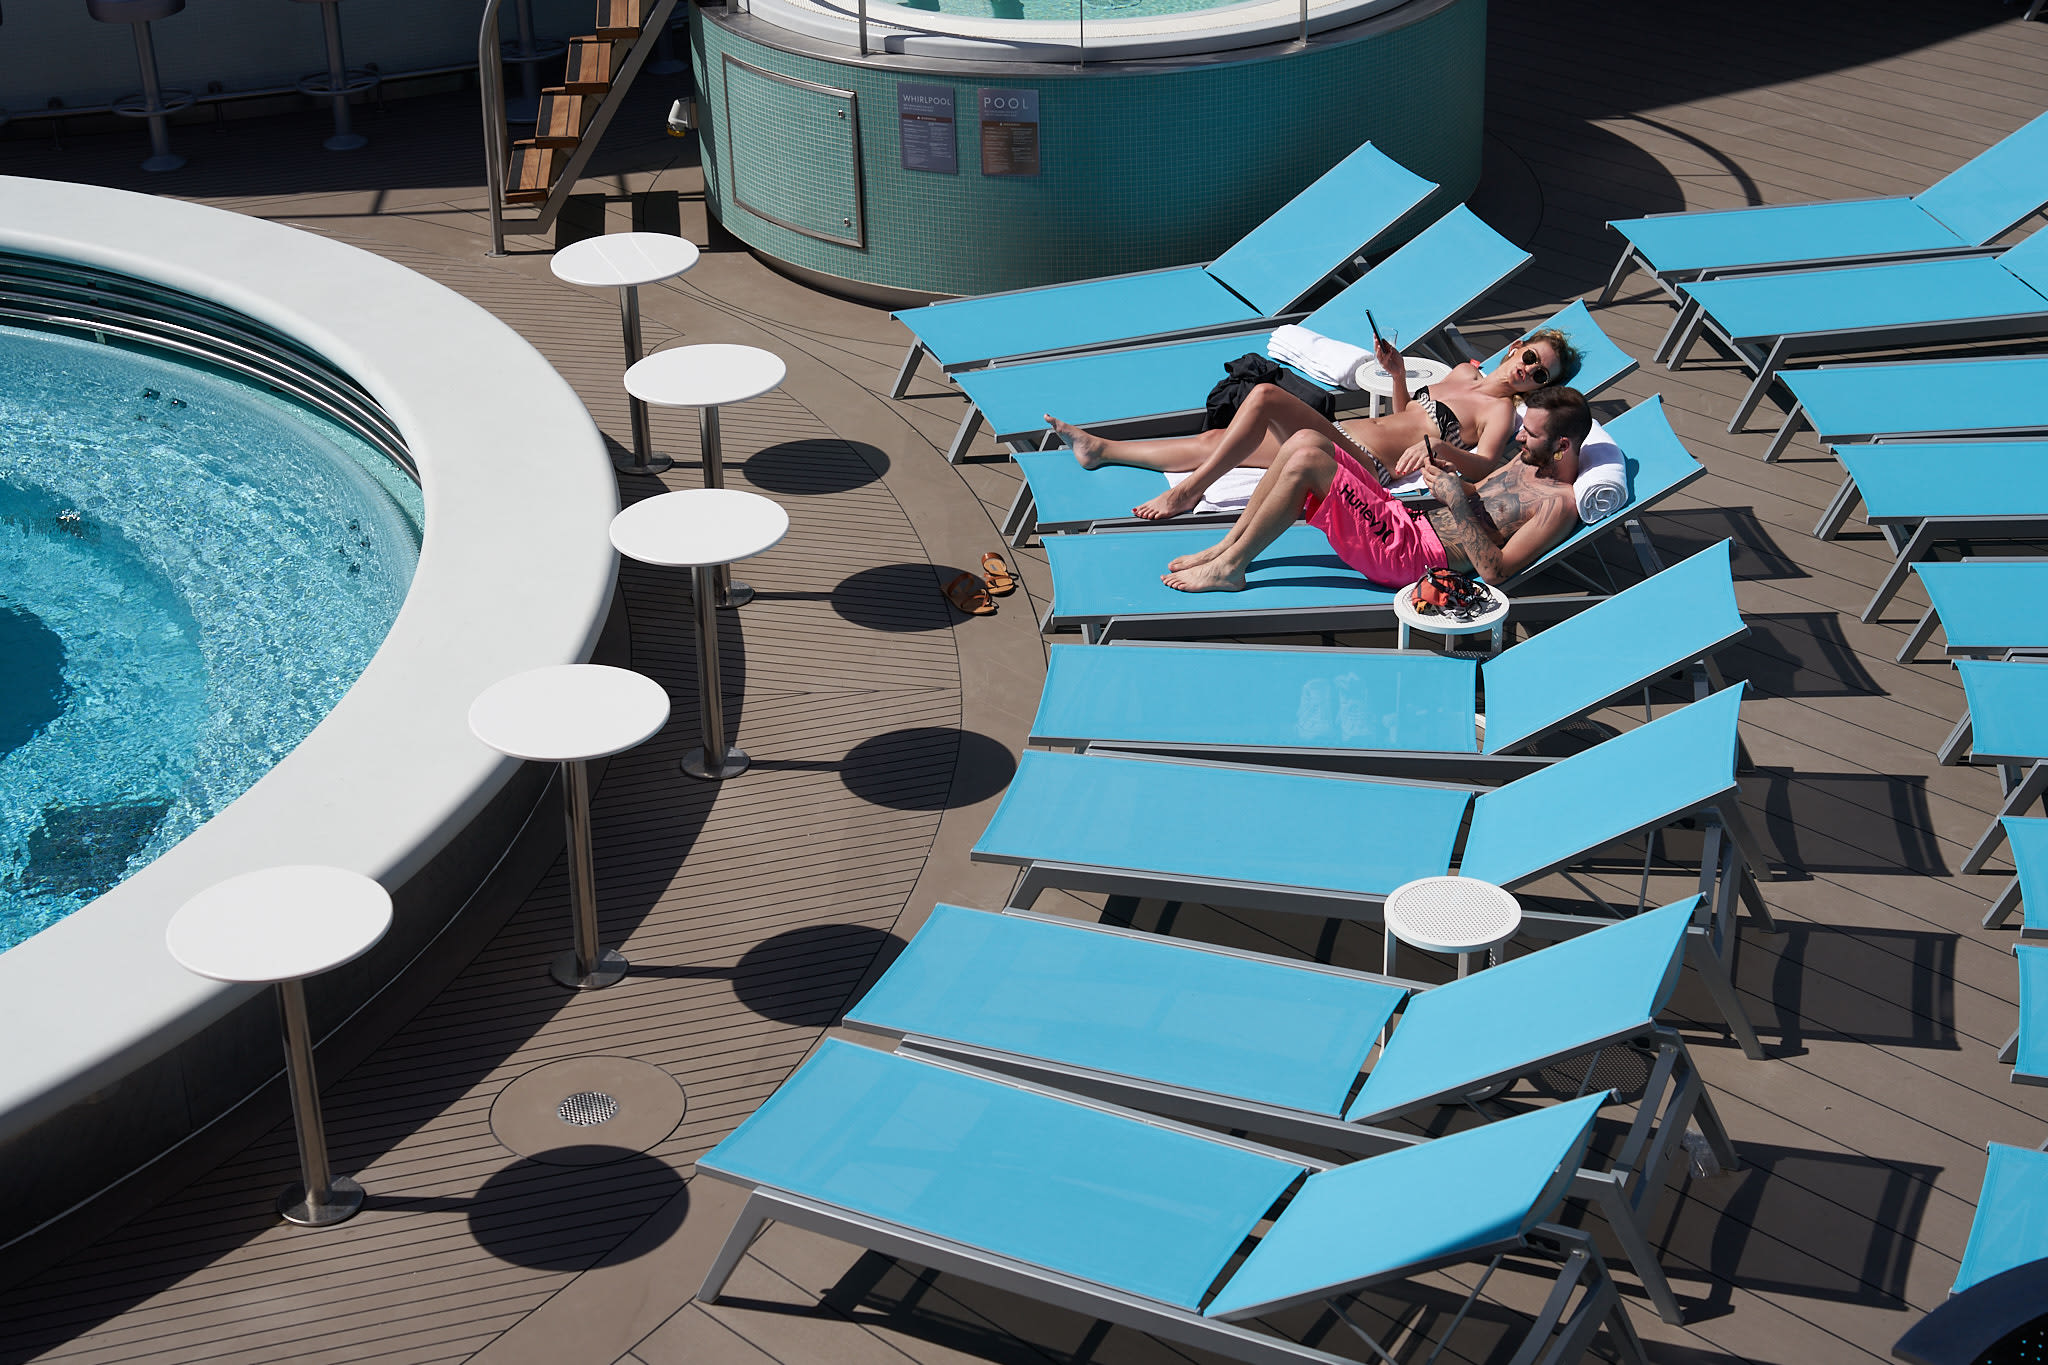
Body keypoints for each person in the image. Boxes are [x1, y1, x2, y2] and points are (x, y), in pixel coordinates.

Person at [1044, 328, 1579, 522]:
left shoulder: (1501, 412)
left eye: (1539, 374)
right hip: (1349, 436)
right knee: (1219, 438)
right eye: (1530, 356)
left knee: (1265, 394)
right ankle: (1102, 449)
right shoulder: (1462, 372)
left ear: (1536, 388)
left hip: (1367, 464)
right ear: (1516, 347)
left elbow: (1485, 462)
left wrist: (1437, 450)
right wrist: (1396, 375)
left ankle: (1188, 493)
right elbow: (1402, 416)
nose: (1527, 370)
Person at [1154, 384, 1593, 593]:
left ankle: (1231, 568)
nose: (1520, 438)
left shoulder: (1558, 506)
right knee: (1307, 441)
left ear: (1563, 446)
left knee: (1308, 462)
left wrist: (1457, 499)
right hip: (1403, 521)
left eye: (1531, 435)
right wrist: (1449, 472)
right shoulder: (1530, 458)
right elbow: (1482, 494)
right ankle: (1226, 549)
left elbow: (1497, 572)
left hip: (1411, 557)